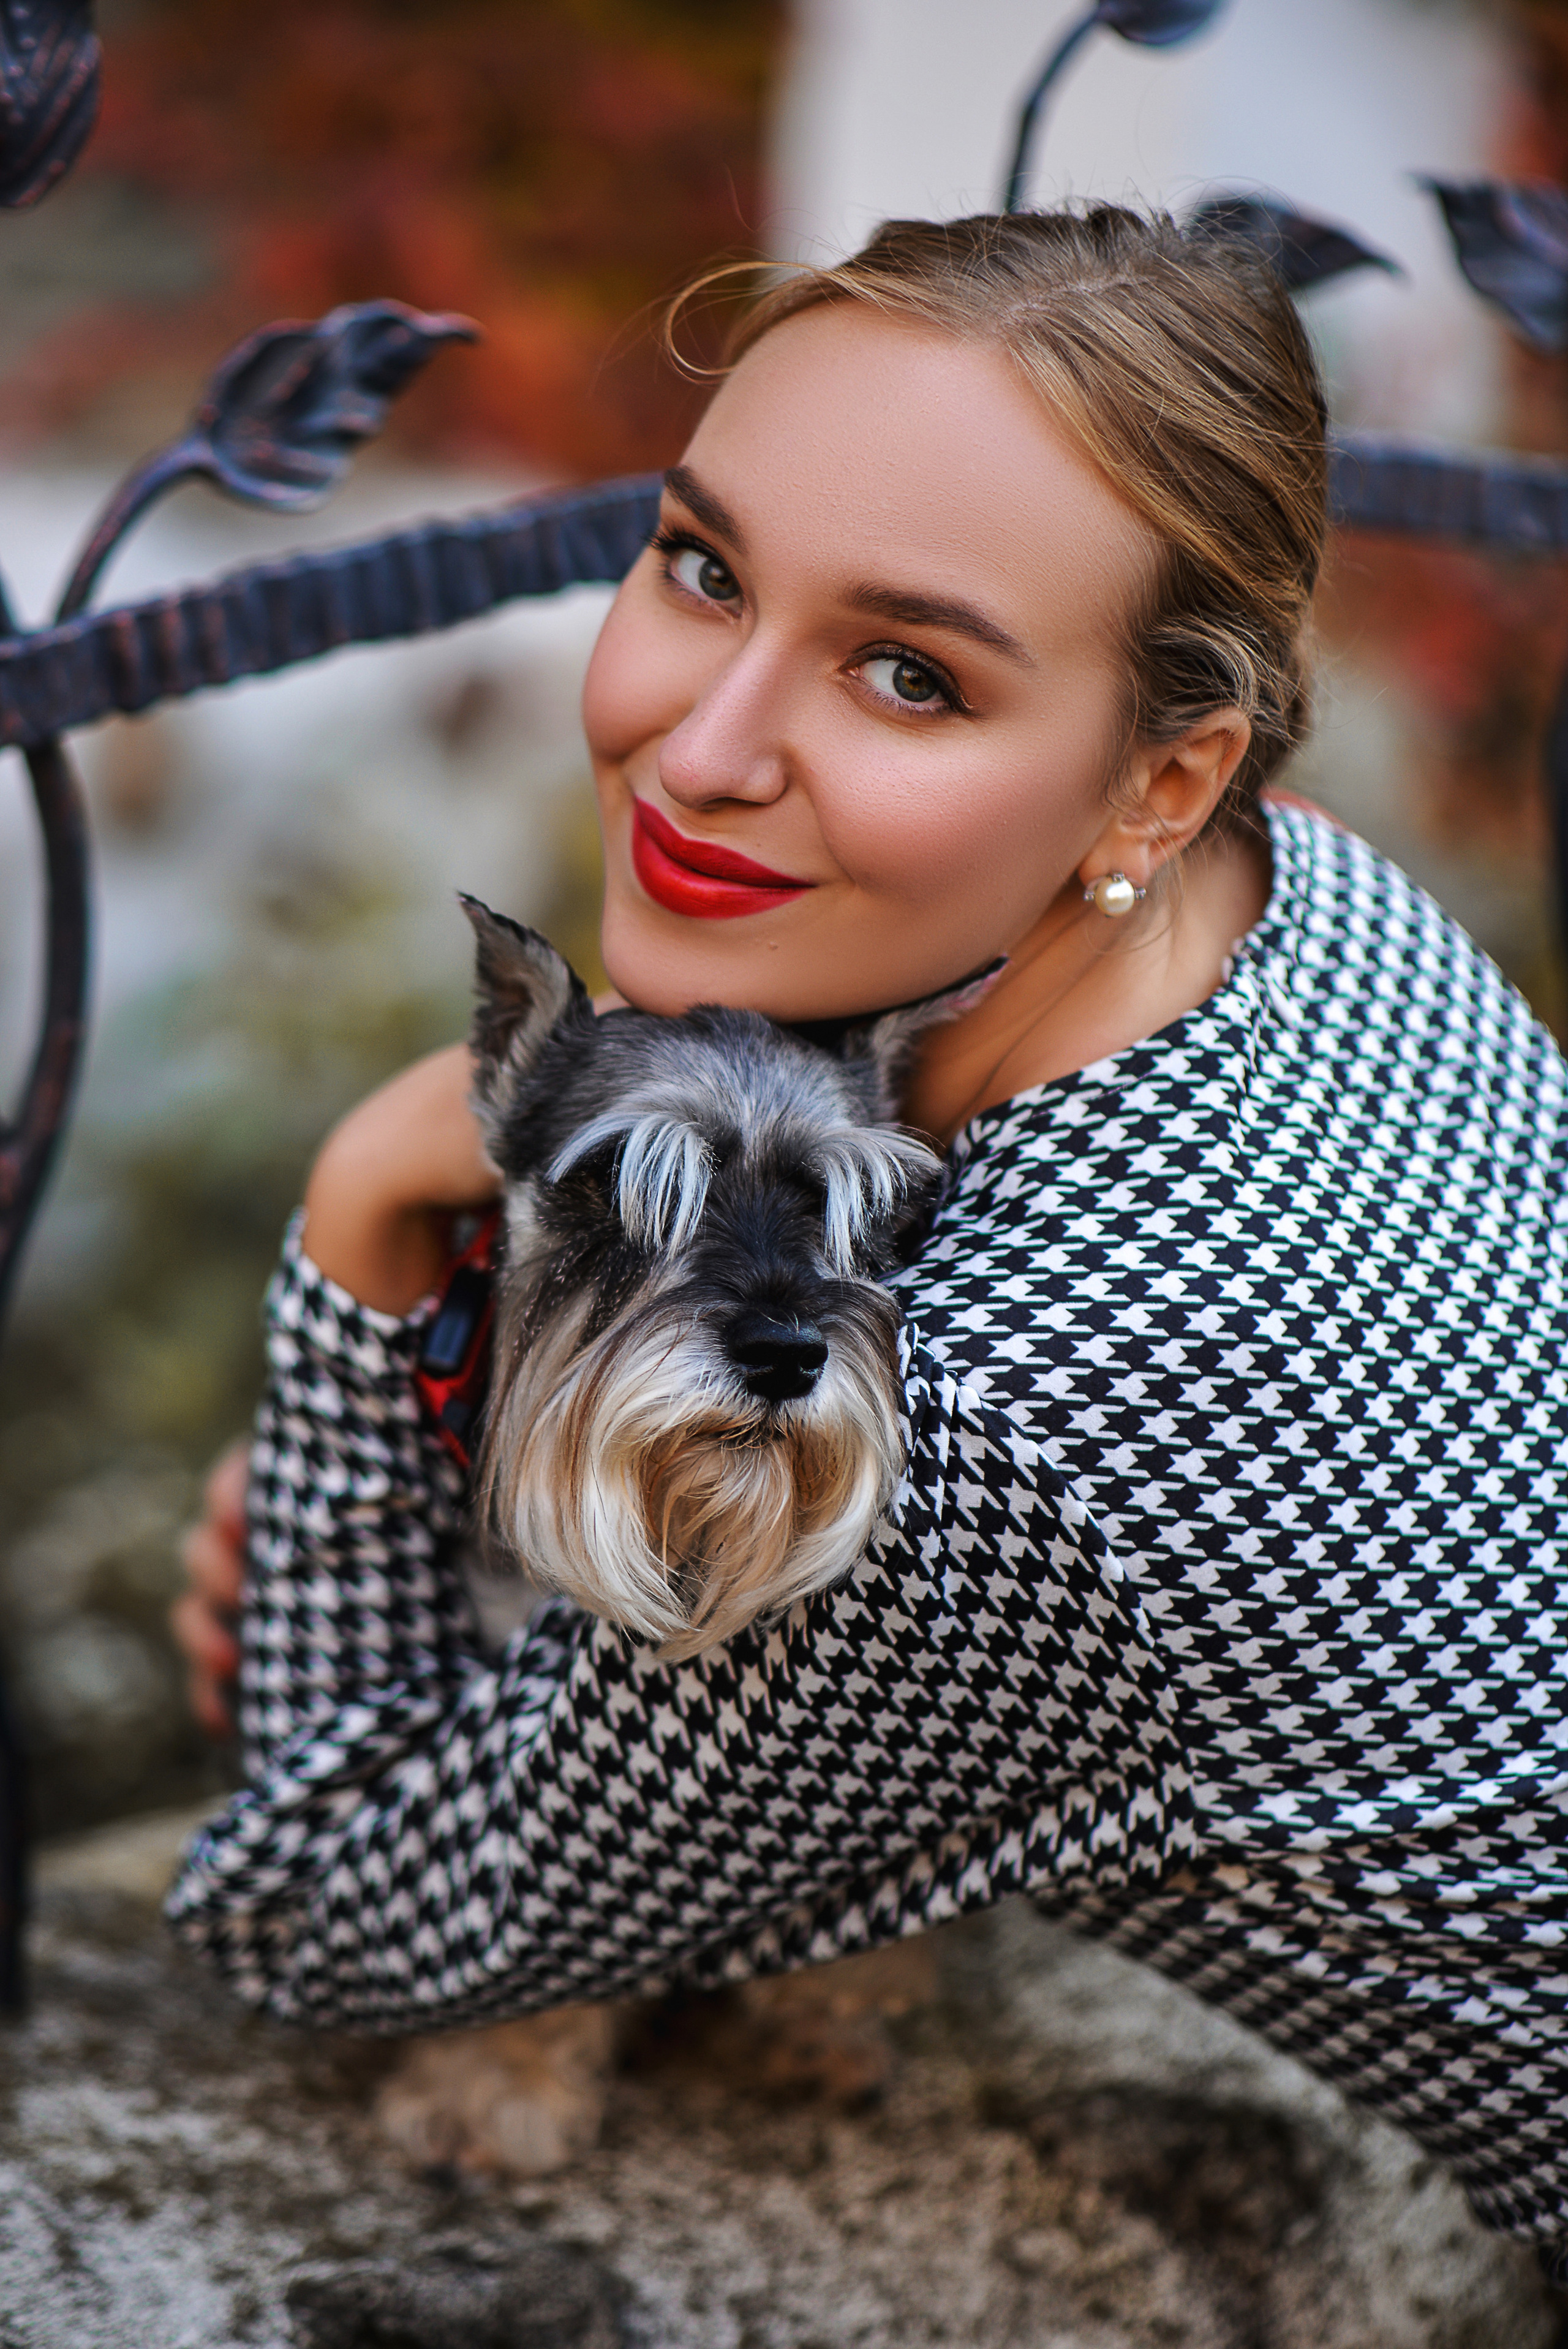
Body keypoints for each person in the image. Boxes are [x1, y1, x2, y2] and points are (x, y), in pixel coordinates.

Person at [167, 206, 1568, 2279]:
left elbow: (318, 1909)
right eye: (702, 565)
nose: (705, 747)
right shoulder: (1318, 904)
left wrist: (372, 1221)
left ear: (1161, 781)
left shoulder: (1024, 1435)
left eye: (912, 672)